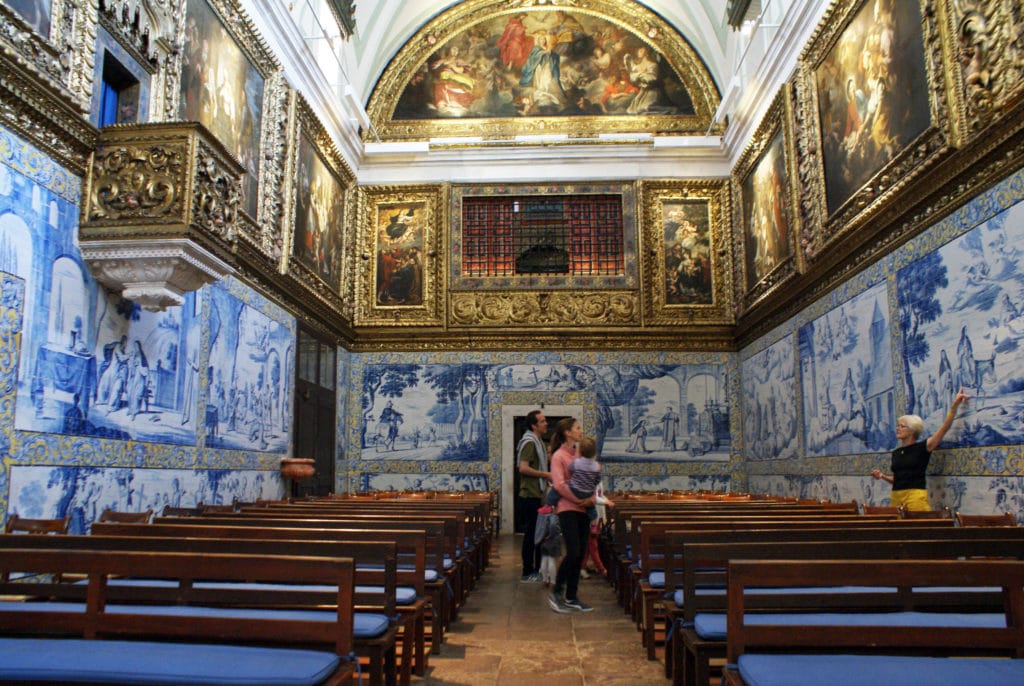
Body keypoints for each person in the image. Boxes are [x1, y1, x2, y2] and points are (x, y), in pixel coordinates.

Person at [871, 387, 970, 511]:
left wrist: (954, 407)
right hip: (896, 496)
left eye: (902, 426)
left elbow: (944, 428)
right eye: (898, 426)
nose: (898, 428)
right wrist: (882, 476)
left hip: (915, 496)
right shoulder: (896, 453)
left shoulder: (922, 448)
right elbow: (899, 479)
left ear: (912, 430)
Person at [546, 417, 594, 613]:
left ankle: (572, 596)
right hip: (567, 508)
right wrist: (578, 499)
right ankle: (557, 592)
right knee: (573, 551)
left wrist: (590, 498)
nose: (581, 431)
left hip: (583, 509)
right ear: (568, 432)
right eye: (577, 428)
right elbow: (559, 484)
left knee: (581, 553)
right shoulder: (559, 456)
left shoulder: (579, 455)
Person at [571, 438, 614, 578]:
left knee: (589, 544)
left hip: (596, 512)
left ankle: (583, 567)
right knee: (591, 543)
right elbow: (594, 496)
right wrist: (606, 502)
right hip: (591, 512)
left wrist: (605, 501)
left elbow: (598, 493)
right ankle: (601, 569)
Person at [517, 410, 550, 582]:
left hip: (536, 495)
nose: (546, 423)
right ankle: (527, 571)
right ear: (534, 425)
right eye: (543, 421)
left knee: (539, 534)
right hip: (529, 496)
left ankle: (537, 570)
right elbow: (523, 468)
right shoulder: (530, 442)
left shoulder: (538, 442)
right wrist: (545, 475)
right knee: (531, 535)